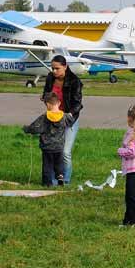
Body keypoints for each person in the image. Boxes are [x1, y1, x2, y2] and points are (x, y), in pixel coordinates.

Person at [41, 56, 83, 184]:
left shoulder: (75, 81)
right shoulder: (50, 78)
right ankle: (53, 180)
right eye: (52, 68)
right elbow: (46, 93)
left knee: (65, 152)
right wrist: (45, 99)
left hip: (68, 119)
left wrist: (68, 115)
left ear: (65, 66)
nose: (54, 71)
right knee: (53, 149)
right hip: (53, 119)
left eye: (57, 68)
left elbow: (78, 104)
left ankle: (65, 180)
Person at [23, 92, 76, 186]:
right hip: (59, 147)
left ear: (47, 104)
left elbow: (35, 128)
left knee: (47, 165)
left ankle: (47, 183)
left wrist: (27, 129)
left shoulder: (44, 117)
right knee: (59, 164)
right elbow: (71, 122)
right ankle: (60, 176)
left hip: (47, 147)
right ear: (59, 103)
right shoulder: (64, 116)